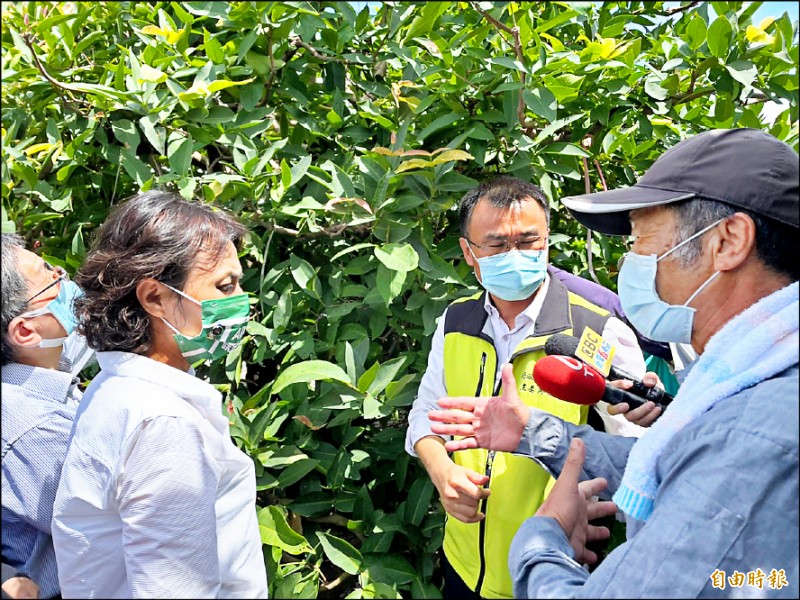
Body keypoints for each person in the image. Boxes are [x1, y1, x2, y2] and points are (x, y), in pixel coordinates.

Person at [429, 128, 799, 597]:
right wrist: (535, 432)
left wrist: (544, 538)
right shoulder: (747, 384)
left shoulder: (749, 431)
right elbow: (673, 470)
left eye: (642, 242)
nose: (632, 264)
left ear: (728, 242)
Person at [405, 176, 654, 599]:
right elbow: (424, 416)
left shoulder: (600, 330)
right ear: (469, 253)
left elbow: (642, 466)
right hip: (464, 568)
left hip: (558, 571)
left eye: (528, 241)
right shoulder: (455, 322)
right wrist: (443, 472)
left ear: (548, 243)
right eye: (497, 245)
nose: (514, 255)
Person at [50, 191, 269, 598]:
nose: (241, 303)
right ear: (155, 297)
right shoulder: (163, 424)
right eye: (225, 285)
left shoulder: (116, 389)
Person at [1, 233, 86, 599]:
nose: (63, 278)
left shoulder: (48, 364)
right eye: (50, 278)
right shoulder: (32, 428)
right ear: (24, 330)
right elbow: (115, 517)